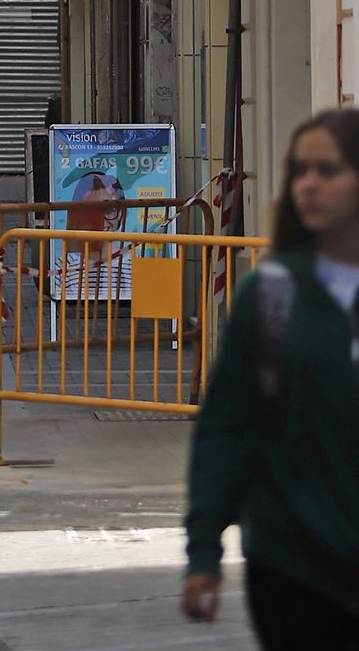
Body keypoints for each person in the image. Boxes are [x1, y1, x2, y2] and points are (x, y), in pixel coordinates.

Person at [182, 108, 359, 645]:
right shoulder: (272, 296)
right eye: (299, 172)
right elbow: (229, 428)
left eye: (327, 171)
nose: (308, 185)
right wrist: (204, 552)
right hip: (291, 566)